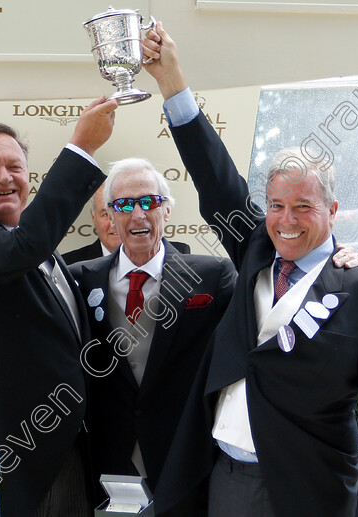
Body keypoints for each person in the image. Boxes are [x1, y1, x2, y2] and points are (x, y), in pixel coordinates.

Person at [142, 24, 358, 517]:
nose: (286, 221)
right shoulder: (254, 250)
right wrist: (171, 83)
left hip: (313, 490)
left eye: (303, 206)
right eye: (276, 205)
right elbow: (216, 177)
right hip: (224, 478)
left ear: (332, 210)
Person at [0, 96, 118, 517]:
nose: (4, 177)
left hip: (63, 449)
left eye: (15, 167)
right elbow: (23, 246)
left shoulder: (47, 256)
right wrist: (81, 148)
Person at [68, 158, 236, 516]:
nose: (138, 215)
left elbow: (261, 308)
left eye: (149, 202)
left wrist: (336, 259)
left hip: (186, 461)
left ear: (168, 210)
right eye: (124, 205)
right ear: (109, 217)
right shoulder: (79, 279)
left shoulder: (213, 276)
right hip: (106, 462)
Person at [62, 183, 190, 264]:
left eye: (124, 209)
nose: (114, 222)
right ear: (93, 217)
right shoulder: (69, 265)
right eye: (106, 214)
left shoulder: (179, 256)